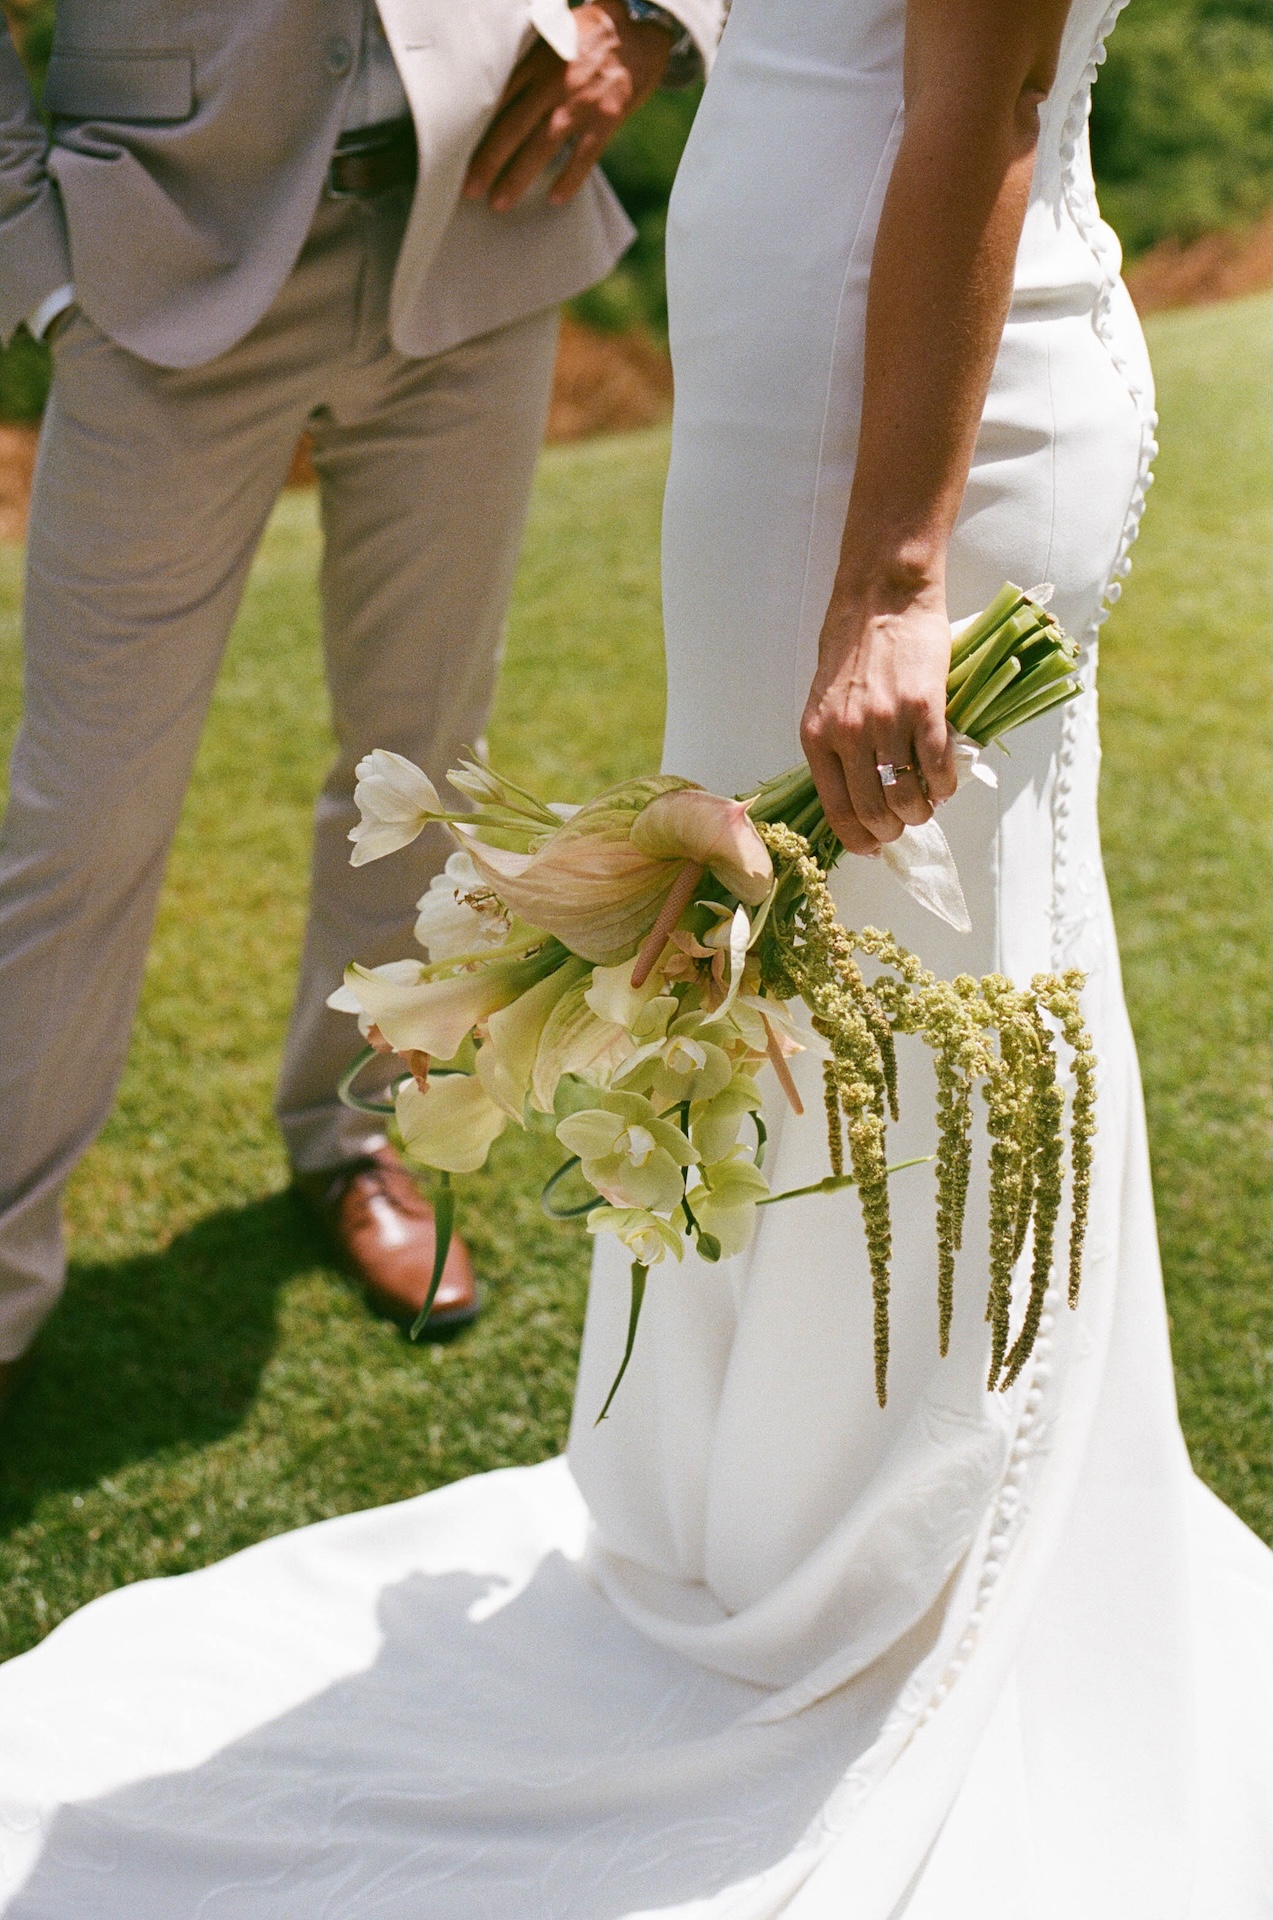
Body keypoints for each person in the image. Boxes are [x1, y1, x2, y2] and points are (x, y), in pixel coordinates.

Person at [0, 0, 1270, 1912]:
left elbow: (985, 93)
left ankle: (929, 1556)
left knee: (921, 983)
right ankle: (787, 1520)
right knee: (764, 989)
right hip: (703, 387)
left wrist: (900, 578)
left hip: (854, 420)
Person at [0, 0, 720, 1409]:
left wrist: (648, 23)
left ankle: (359, 1139)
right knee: (82, 817)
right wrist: (39, 273)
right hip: (155, 250)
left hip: (483, 226)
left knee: (424, 757)